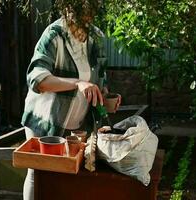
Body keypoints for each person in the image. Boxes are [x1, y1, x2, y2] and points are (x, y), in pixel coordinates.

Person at [21, 1, 113, 199]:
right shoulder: (54, 34)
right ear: (67, 8)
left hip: (76, 124)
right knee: (38, 172)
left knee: (71, 174)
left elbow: (100, 77)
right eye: (78, 10)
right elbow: (36, 79)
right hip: (45, 120)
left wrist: (105, 96)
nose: (84, 16)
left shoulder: (96, 37)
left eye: (89, 11)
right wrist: (77, 82)